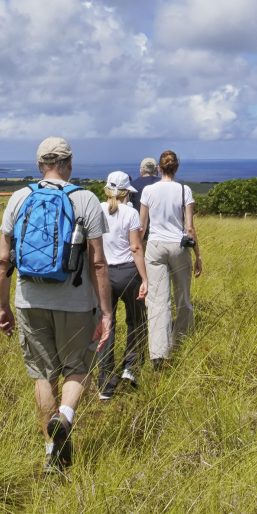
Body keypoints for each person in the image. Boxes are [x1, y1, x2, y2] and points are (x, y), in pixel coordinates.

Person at [0, 136, 111, 472]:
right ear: (69, 165)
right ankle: (66, 416)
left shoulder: (19, 198)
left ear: (39, 166)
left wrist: (4, 306)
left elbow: (4, 260)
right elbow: (99, 263)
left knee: (43, 374)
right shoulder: (85, 199)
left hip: (29, 300)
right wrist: (106, 311)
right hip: (76, 302)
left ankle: (51, 453)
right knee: (77, 367)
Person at [138, 149, 202, 369]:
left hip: (155, 246)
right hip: (178, 246)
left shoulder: (148, 190)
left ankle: (158, 353)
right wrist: (198, 255)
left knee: (157, 301)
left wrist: (135, 249)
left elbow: (142, 225)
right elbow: (190, 228)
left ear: (159, 167)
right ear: (177, 167)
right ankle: (180, 341)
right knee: (182, 297)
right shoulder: (185, 190)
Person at [95, 170, 148, 400]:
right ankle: (131, 367)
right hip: (128, 272)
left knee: (107, 325)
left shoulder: (96, 209)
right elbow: (136, 248)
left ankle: (106, 382)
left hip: (102, 273)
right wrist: (145, 278)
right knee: (136, 320)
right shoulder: (131, 213)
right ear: (127, 192)